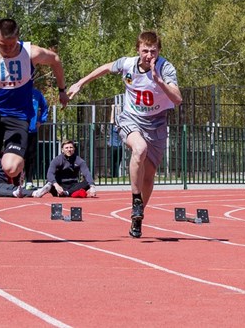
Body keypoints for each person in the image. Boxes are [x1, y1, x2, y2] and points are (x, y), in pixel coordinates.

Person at [67, 31, 183, 238]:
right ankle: (135, 199)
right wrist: (80, 83)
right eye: (145, 50)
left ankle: (138, 216)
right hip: (130, 117)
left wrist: (159, 82)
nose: (149, 55)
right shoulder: (127, 64)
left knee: (149, 177)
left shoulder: (165, 68)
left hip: (156, 123)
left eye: (153, 51)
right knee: (140, 148)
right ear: (138, 49)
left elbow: (177, 99)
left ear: (159, 51)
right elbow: (104, 68)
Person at [0, 18, 70, 241]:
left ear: (18, 38)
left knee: (10, 167)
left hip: (18, 117)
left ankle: (19, 166)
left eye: (11, 44)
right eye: (3, 45)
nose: (7, 49)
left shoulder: (31, 52)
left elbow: (55, 59)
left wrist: (62, 89)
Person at [24, 88, 49, 190]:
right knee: (17, 156)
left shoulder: (37, 94)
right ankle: (16, 182)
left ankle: (29, 181)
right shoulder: (16, 90)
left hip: (32, 130)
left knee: (30, 156)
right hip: (18, 129)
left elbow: (45, 107)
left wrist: (41, 120)